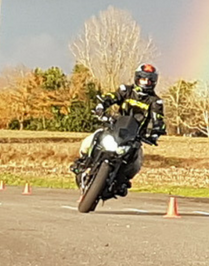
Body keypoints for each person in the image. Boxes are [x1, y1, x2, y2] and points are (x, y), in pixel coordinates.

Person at [71, 64, 166, 197]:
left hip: (134, 137)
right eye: (143, 79)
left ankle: (122, 182)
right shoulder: (125, 90)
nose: (146, 82)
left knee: (137, 162)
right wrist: (101, 106)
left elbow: (158, 120)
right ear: (137, 78)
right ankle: (82, 161)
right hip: (115, 128)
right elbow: (111, 97)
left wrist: (155, 133)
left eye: (149, 80)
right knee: (93, 137)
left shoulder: (155, 102)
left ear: (154, 82)